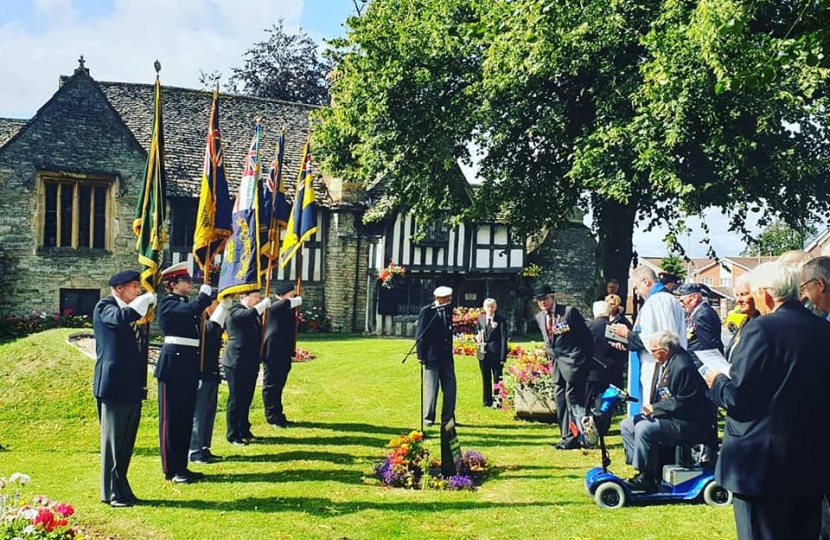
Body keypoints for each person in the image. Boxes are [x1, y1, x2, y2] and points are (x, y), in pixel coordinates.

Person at [705, 262, 830, 540]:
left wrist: (717, 382)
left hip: (760, 464)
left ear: (765, 294)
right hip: (810, 458)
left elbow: (739, 398)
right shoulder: (823, 329)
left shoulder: (763, 329)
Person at [92, 270, 156, 507]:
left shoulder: (130, 313)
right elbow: (119, 318)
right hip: (113, 387)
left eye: (139, 287)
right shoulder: (105, 306)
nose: (138, 290)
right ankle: (110, 492)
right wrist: (144, 301)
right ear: (119, 289)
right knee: (113, 443)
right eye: (133, 287)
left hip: (130, 386)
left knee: (125, 442)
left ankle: (121, 486)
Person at [620, 330, 713, 493]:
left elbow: (684, 402)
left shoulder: (683, 366)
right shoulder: (666, 362)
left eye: (654, 350)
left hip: (687, 422)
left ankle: (647, 477)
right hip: (670, 416)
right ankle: (641, 468)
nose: (652, 354)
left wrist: (655, 409)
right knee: (628, 424)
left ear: (666, 350)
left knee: (645, 428)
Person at [154, 262, 213, 483]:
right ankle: (171, 468)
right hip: (172, 368)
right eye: (185, 281)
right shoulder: (168, 304)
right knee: (171, 421)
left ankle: (182, 466)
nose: (190, 283)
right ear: (173, 285)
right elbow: (190, 310)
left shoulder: (184, 303)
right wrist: (204, 298)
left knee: (185, 420)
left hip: (187, 365)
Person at [610, 266, 686, 415]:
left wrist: (627, 334)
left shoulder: (658, 300)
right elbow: (648, 336)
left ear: (646, 282)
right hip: (653, 360)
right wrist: (627, 344)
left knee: (651, 409)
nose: (637, 292)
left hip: (656, 367)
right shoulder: (666, 299)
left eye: (637, 287)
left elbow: (663, 339)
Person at [533, 284, 592, 450]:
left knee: (571, 398)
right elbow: (549, 342)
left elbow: (586, 337)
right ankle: (565, 435)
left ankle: (576, 436)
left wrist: (582, 361)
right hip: (556, 365)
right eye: (539, 300)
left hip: (573, 363)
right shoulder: (539, 317)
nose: (542, 302)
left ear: (553, 297)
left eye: (545, 298)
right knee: (560, 399)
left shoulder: (568, 313)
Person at [222, 290, 271, 445]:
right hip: (236, 361)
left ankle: (244, 429)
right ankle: (233, 434)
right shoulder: (236, 310)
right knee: (236, 398)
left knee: (246, 398)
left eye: (259, 297)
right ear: (244, 297)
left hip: (250, 361)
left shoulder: (252, 313)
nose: (258, 299)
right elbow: (248, 316)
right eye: (255, 297)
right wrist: (263, 305)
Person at [189, 298, 229, 465]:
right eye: (216, 303)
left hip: (211, 373)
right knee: (199, 414)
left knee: (209, 413)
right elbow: (211, 330)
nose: (219, 306)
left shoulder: (214, 323)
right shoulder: (200, 324)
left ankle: (205, 446)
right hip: (200, 373)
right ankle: (195, 450)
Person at [262, 283, 303, 428]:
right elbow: (281, 305)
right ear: (283, 295)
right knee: (272, 385)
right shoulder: (276, 307)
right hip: (273, 352)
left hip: (283, 352)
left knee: (279, 385)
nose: (295, 296)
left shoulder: (287, 309)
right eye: (292, 294)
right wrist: (294, 301)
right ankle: (272, 417)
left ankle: (279, 415)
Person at [417, 286, 456, 427]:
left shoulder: (447, 311)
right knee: (432, 390)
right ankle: (429, 418)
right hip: (431, 357)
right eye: (447, 298)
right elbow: (421, 334)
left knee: (451, 388)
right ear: (439, 298)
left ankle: (448, 418)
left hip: (446, 357)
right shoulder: (427, 311)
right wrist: (421, 355)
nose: (449, 301)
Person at [585, 301, 621, 409]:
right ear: (609, 312)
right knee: (606, 402)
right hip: (611, 370)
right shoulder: (615, 328)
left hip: (591, 369)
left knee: (588, 400)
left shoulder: (588, 327)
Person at [474, 298, 508, 407]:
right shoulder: (480, 318)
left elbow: (504, 338)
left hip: (496, 354)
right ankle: (487, 401)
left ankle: (497, 401)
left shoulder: (501, 320)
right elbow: (477, 332)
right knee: (485, 377)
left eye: (492, 307)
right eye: (488, 307)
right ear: (484, 308)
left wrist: (503, 357)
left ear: (495, 307)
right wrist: (477, 338)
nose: (490, 309)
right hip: (483, 352)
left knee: (497, 378)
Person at [676, 283, 723, 355]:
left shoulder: (703, 315)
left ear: (694, 297)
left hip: (701, 362)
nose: (681, 304)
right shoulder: (695, 312)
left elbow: (710, 345)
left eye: (682, 301)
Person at [724, 273, 759, 362]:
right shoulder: (746, 320)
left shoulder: (760, 323)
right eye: (737, 295)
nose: (738, 300)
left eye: (743, 294)